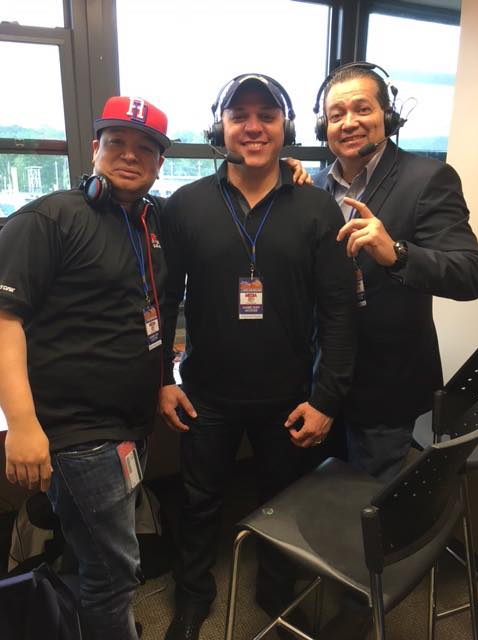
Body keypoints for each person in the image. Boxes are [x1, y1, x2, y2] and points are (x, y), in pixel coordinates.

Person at [159, 73, 356, 640]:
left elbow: (339, 312)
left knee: (281, 502)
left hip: (288, 397)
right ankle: (193, 597)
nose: (253, 127)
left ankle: (276, 591)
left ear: (285, 127)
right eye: (239, 115)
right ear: (219, 127)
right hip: (205, 396)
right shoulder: (186, 205)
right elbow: (163, 300)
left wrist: (326, 399)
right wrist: (161, 379)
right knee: (198, 503)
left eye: (266, 116)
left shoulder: (316, 208)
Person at [314, 61, 478, 638]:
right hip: (322, 375)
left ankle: (363, 603)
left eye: (363, 108)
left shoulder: (427, 179)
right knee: (328, 486)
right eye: (337, 113)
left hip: (386, 379)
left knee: (371, 499)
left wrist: (398, 253)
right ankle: (328, 566)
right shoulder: (315, 187)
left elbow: (469, 271)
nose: (349, 121)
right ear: (323, 126)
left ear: (388, 115)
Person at [0, 95, 171, 640]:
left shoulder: (147, 222)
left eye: (145, 148)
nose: (130, 155)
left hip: (129, 425)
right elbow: (4, 321)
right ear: (95, 148)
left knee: (98, 554)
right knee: (115, 571)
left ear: (160, 162)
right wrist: (22, 425)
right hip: (80, 435)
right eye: (116, 142)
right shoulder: (49, 219)